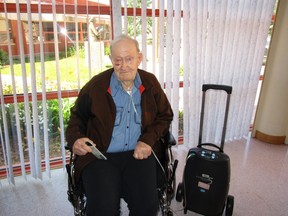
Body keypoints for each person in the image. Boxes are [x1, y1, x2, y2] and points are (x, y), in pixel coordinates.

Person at [65, 34, 173, 216]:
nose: (124, 66)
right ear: (111, 60)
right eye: (118, 61)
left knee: (147, 206)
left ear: (139, 58)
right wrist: (76, 138)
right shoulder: (96, 86)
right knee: (102, 209)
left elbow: (165, 115)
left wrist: (148, 140)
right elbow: (76, 118)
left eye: (129, 59)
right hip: (101, 156)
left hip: (139, 154)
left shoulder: (150, 83)